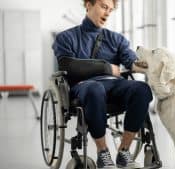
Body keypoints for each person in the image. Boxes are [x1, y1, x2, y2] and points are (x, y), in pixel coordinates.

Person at [52, 0, 152, 168]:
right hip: (85, 86)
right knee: (95, 89)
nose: (107, 13)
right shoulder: (66, 37)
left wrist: (149, 66)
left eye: (110, 10)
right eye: (104, 7)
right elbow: (67, 66)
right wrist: (106, 67)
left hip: (115, 85)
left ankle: (124, 151)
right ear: (88, 5)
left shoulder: (116, 39)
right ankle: (103, 152)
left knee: (142, 89)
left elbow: (131, 61)